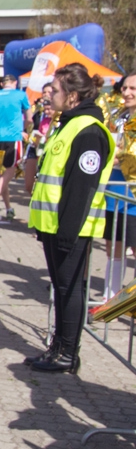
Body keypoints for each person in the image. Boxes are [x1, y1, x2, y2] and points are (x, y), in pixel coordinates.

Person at [27, 63, 114, 373]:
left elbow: (81, 188)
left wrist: (67, 232)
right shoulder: (68, 123)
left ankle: (67, 352)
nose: (49, 94)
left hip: (71, 228)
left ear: (73, 96)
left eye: (55, 90)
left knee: (70, 289)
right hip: (54, 225)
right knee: (60, 288)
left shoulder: (89, 130)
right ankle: (57, 347)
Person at [101, 73, 136, 298]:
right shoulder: (117, 116)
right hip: (114, 189)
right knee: (114, 246)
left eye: (133, 88)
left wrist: (118, 156)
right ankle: (110, 297)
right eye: (124, 88)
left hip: (133, 193)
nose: (127, 93)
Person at [0, 73, 32, 220]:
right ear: (15, 83)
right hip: (13, 136)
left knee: (2, 174)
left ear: (2, 84)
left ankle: (8, 207)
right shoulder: (21, 95)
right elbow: (30, 117)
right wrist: (23, 129)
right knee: (9, 173)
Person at [23, 83, 55, 194]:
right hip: (34, 147)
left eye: (49, 92)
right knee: (28, 185)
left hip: (49, 149)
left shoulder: (60, 113)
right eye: (44, 92)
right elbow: (30, 126)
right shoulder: (37, 110)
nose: (46, 95)